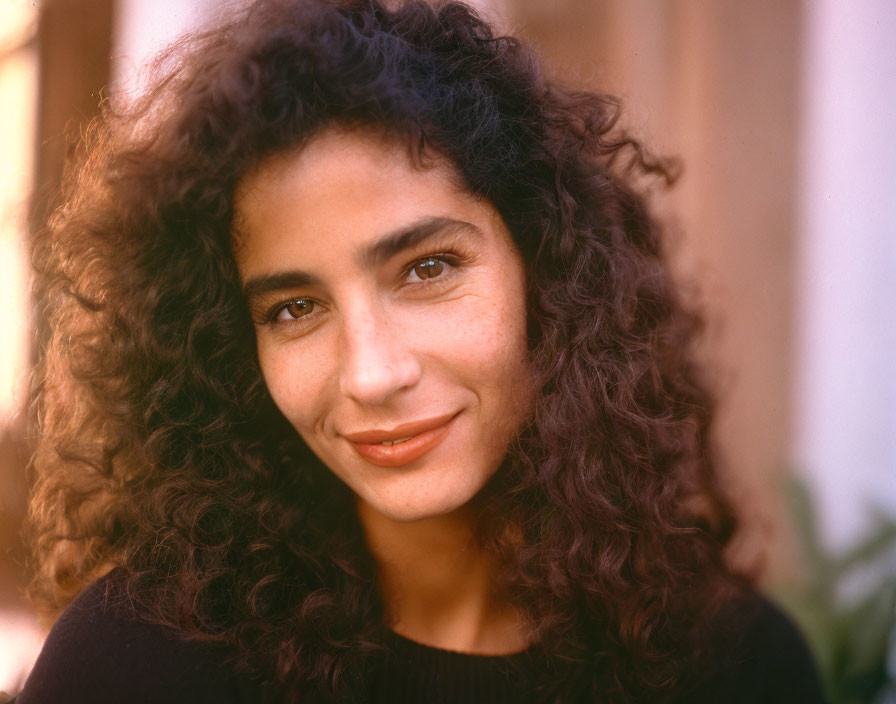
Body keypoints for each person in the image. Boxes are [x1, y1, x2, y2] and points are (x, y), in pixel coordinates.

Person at [14, 0, 827, 702]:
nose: (371, 373)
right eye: (294, 308)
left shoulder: (733, 671)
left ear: (546, 269)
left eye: (427, 269)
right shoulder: (138, 665)